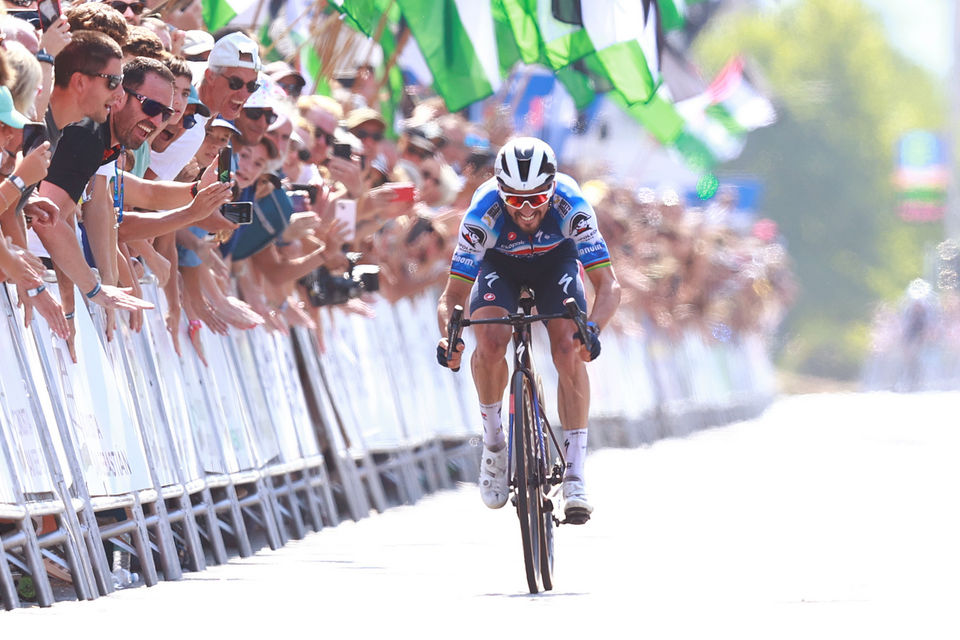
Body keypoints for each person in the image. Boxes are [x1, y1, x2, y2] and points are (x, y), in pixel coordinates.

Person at [435, 137, 621, 522]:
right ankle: (494, 445)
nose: (525, 210)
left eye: (536, 199)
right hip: (499, 265)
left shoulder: (573, 208)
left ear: (552, 190)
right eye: (515, 200)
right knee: (487, 339)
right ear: (500, 191)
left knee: (569, 348)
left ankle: (574, 474)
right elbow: (452, 296)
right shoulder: (481, 217)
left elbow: (609, 286)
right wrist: (448, 337)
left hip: (557, 264)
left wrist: (594, 330)